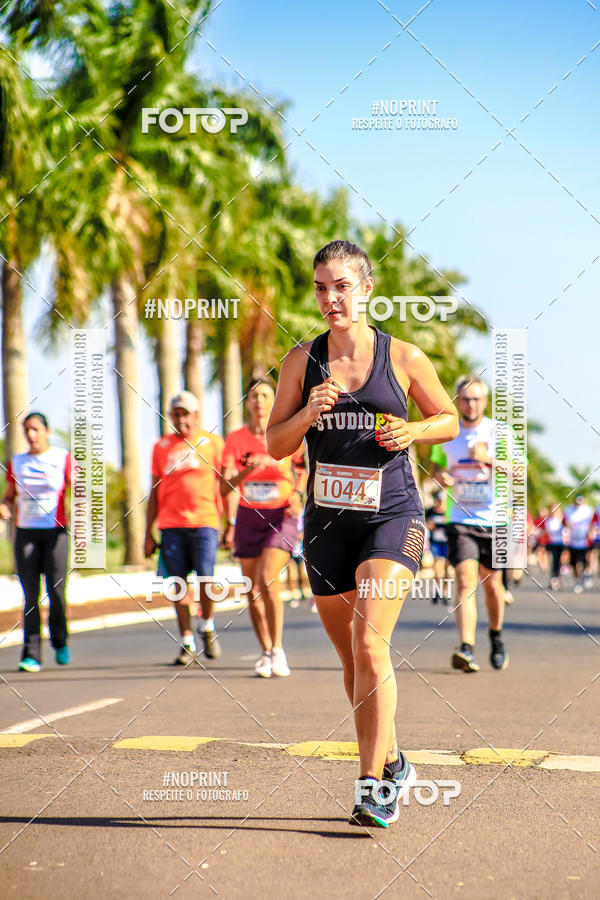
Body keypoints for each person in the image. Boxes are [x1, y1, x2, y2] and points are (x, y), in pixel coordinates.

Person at [266, 240, 459, 828]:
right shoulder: (302, 361)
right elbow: (275, 444)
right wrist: (308, 413)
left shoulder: (402, 356)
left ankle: (372, 785)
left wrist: (413, 431)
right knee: (354, 662)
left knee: (371, 644)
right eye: (321, 288)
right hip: (326, 525)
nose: (331, 298)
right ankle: (393, 758)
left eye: (342, 286)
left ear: (367, 289)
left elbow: (448, 419)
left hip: (391, 517)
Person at [221, 376, 307, 678]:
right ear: (247, 403)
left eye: (265, 395)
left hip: (281, 515)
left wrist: (297, 494)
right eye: (254, 396)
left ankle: (278, 649)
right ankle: (266, 651)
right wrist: (247, 470)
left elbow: (302, 470)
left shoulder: (286, 433)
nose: (259, 401)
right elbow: (223, 487)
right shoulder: (235, 439)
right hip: (248, 516)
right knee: (252, 589)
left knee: (268, 578)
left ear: (274, 400)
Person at [430, 374, 513, 674]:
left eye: (476, 399)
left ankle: (496, 636)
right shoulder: (447, 432)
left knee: (493, 586)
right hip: (460, 519)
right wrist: (440, 477)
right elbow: (436, 468)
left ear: (485, 401)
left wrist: (488, 459)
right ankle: (466, 647)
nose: (471, 405)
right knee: (465, 581)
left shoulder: (499, 432)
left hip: (495, 520)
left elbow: (518, 471)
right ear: (457, 401)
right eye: (465, 399)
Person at [144, 391, 224, 664]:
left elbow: (224, 485)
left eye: (185, 414)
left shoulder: (212, 443)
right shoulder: (161, 447)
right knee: (177, 584)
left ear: (196, 415)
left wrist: (230, 523)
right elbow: (154, 491)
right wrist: (148, 533)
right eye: (176, 414)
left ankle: (207, 624)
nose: (181, 420)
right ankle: (187, 640)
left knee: (205, 578)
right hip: (171, 526)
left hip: (205, 522)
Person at [0, 413, 71, 672]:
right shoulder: (17, 462)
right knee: (31, 595)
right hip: (26, 533)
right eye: (27, 430)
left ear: (47, 431)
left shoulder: (62, 458)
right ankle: (31, 654)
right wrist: (5, 506)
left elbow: (80, 491)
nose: (31, 435)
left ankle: (60, 640)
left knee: (56, 591)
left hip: (55, 532)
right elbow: (9, 496)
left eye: (36, 429)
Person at [563, 495, 594, 593]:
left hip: (584, 541)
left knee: (584, 561)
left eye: (580, 503)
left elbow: (591, 524)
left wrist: (590, 533)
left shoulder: (588, 510)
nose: (578, 505)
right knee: (573, 562)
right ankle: (577, 580)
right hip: (572, 541)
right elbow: (564, 523)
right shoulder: (568, 510)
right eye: (577, 503)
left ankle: (584, 576)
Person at [424, 490, 451, 603]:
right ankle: (437, 590)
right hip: (435, 543)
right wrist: (429, 525)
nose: (439, 503)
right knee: (437, 567)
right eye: (437, 501)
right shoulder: (430, 512)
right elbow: (425, 523)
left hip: (447, 543)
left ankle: (445, 590)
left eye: (441, 501)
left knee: (447, 569)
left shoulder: (448, 512)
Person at [541, 503, 565, 591]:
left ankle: (558, 578)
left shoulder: (562, 519)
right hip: (552, 543)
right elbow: (545, 531)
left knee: (559, 562)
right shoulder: (548, 520)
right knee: (553, 561)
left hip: (561, 543)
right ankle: (553, 579)